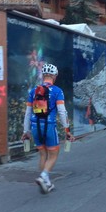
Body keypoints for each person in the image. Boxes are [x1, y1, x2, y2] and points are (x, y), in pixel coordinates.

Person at [21, 63, 74, 194]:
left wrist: (25, 131)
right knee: (53, 154)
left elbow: (27, 113)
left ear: (43, 76)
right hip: (49, 125)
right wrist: (67, 130)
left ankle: (47, 182)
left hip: (34, 126)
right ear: (54, 76)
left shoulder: (33, 91)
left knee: (43, 154)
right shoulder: (57, 91)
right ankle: (43, 176)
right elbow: (62, 112)